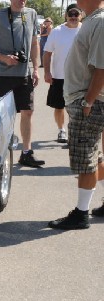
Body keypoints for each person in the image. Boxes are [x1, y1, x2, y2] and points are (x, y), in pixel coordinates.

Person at [48, 0, 104, 230]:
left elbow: (102, 67)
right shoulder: (93, 20)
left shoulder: (99, 22)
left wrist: (88, 101)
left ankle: (81, 214)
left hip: (89, 102)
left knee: (85, 161)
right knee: (92, 155)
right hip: (85, 100)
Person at [0, 0, 44, 168]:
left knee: (28, 111)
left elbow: (34, 43)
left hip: (24, 74)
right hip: (1, 74)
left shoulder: (31, 14)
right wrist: (4, 58)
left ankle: (26, 153)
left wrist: (36, 69)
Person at [43, 4, 82, 144]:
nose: (73, 17)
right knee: (59, 107)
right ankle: (62, 130)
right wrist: (47, 72)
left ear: (80, 15)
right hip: (59, 77)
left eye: (76, 14)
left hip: (80, 79)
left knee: (78, 109)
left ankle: (74, 132)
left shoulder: (85, 30)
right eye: (70, 14)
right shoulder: (57, 31)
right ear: (66, 15)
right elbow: (47, 53)